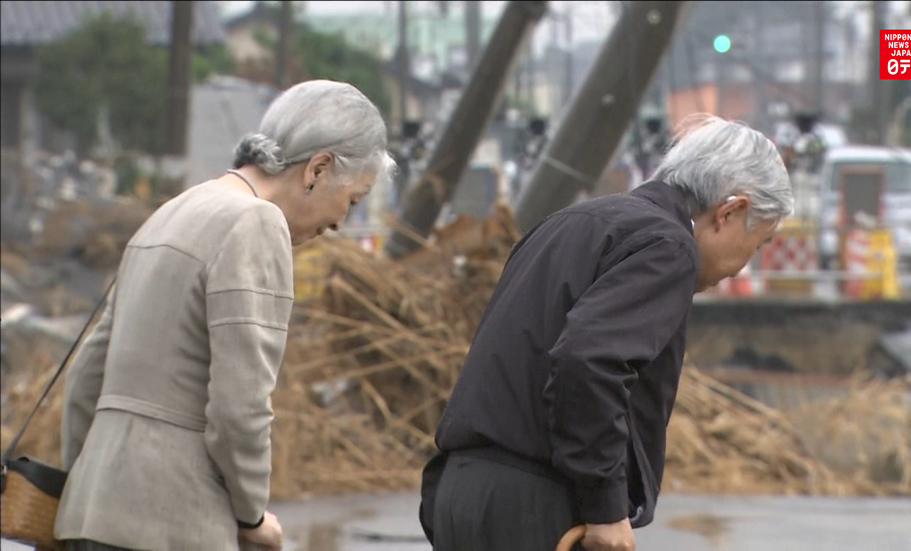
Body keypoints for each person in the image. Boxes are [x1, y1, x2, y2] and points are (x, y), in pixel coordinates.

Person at [419, 114, 793, 551]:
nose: (744, 264)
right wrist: (605, 506)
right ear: (731, 211)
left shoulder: (566, 224)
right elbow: (588, 360)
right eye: (758, 242)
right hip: (537, 504)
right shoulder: (668, 246)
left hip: (461, 490)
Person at [54, 80, 395, 551]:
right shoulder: (255, 223)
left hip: (92, 516)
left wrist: (86, 487)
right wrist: (251, 513)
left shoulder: (172, 212)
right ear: (318, 168)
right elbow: (241, 406)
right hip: (176, 523)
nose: (340, 223)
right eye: (352, 201)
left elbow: (87, 378)